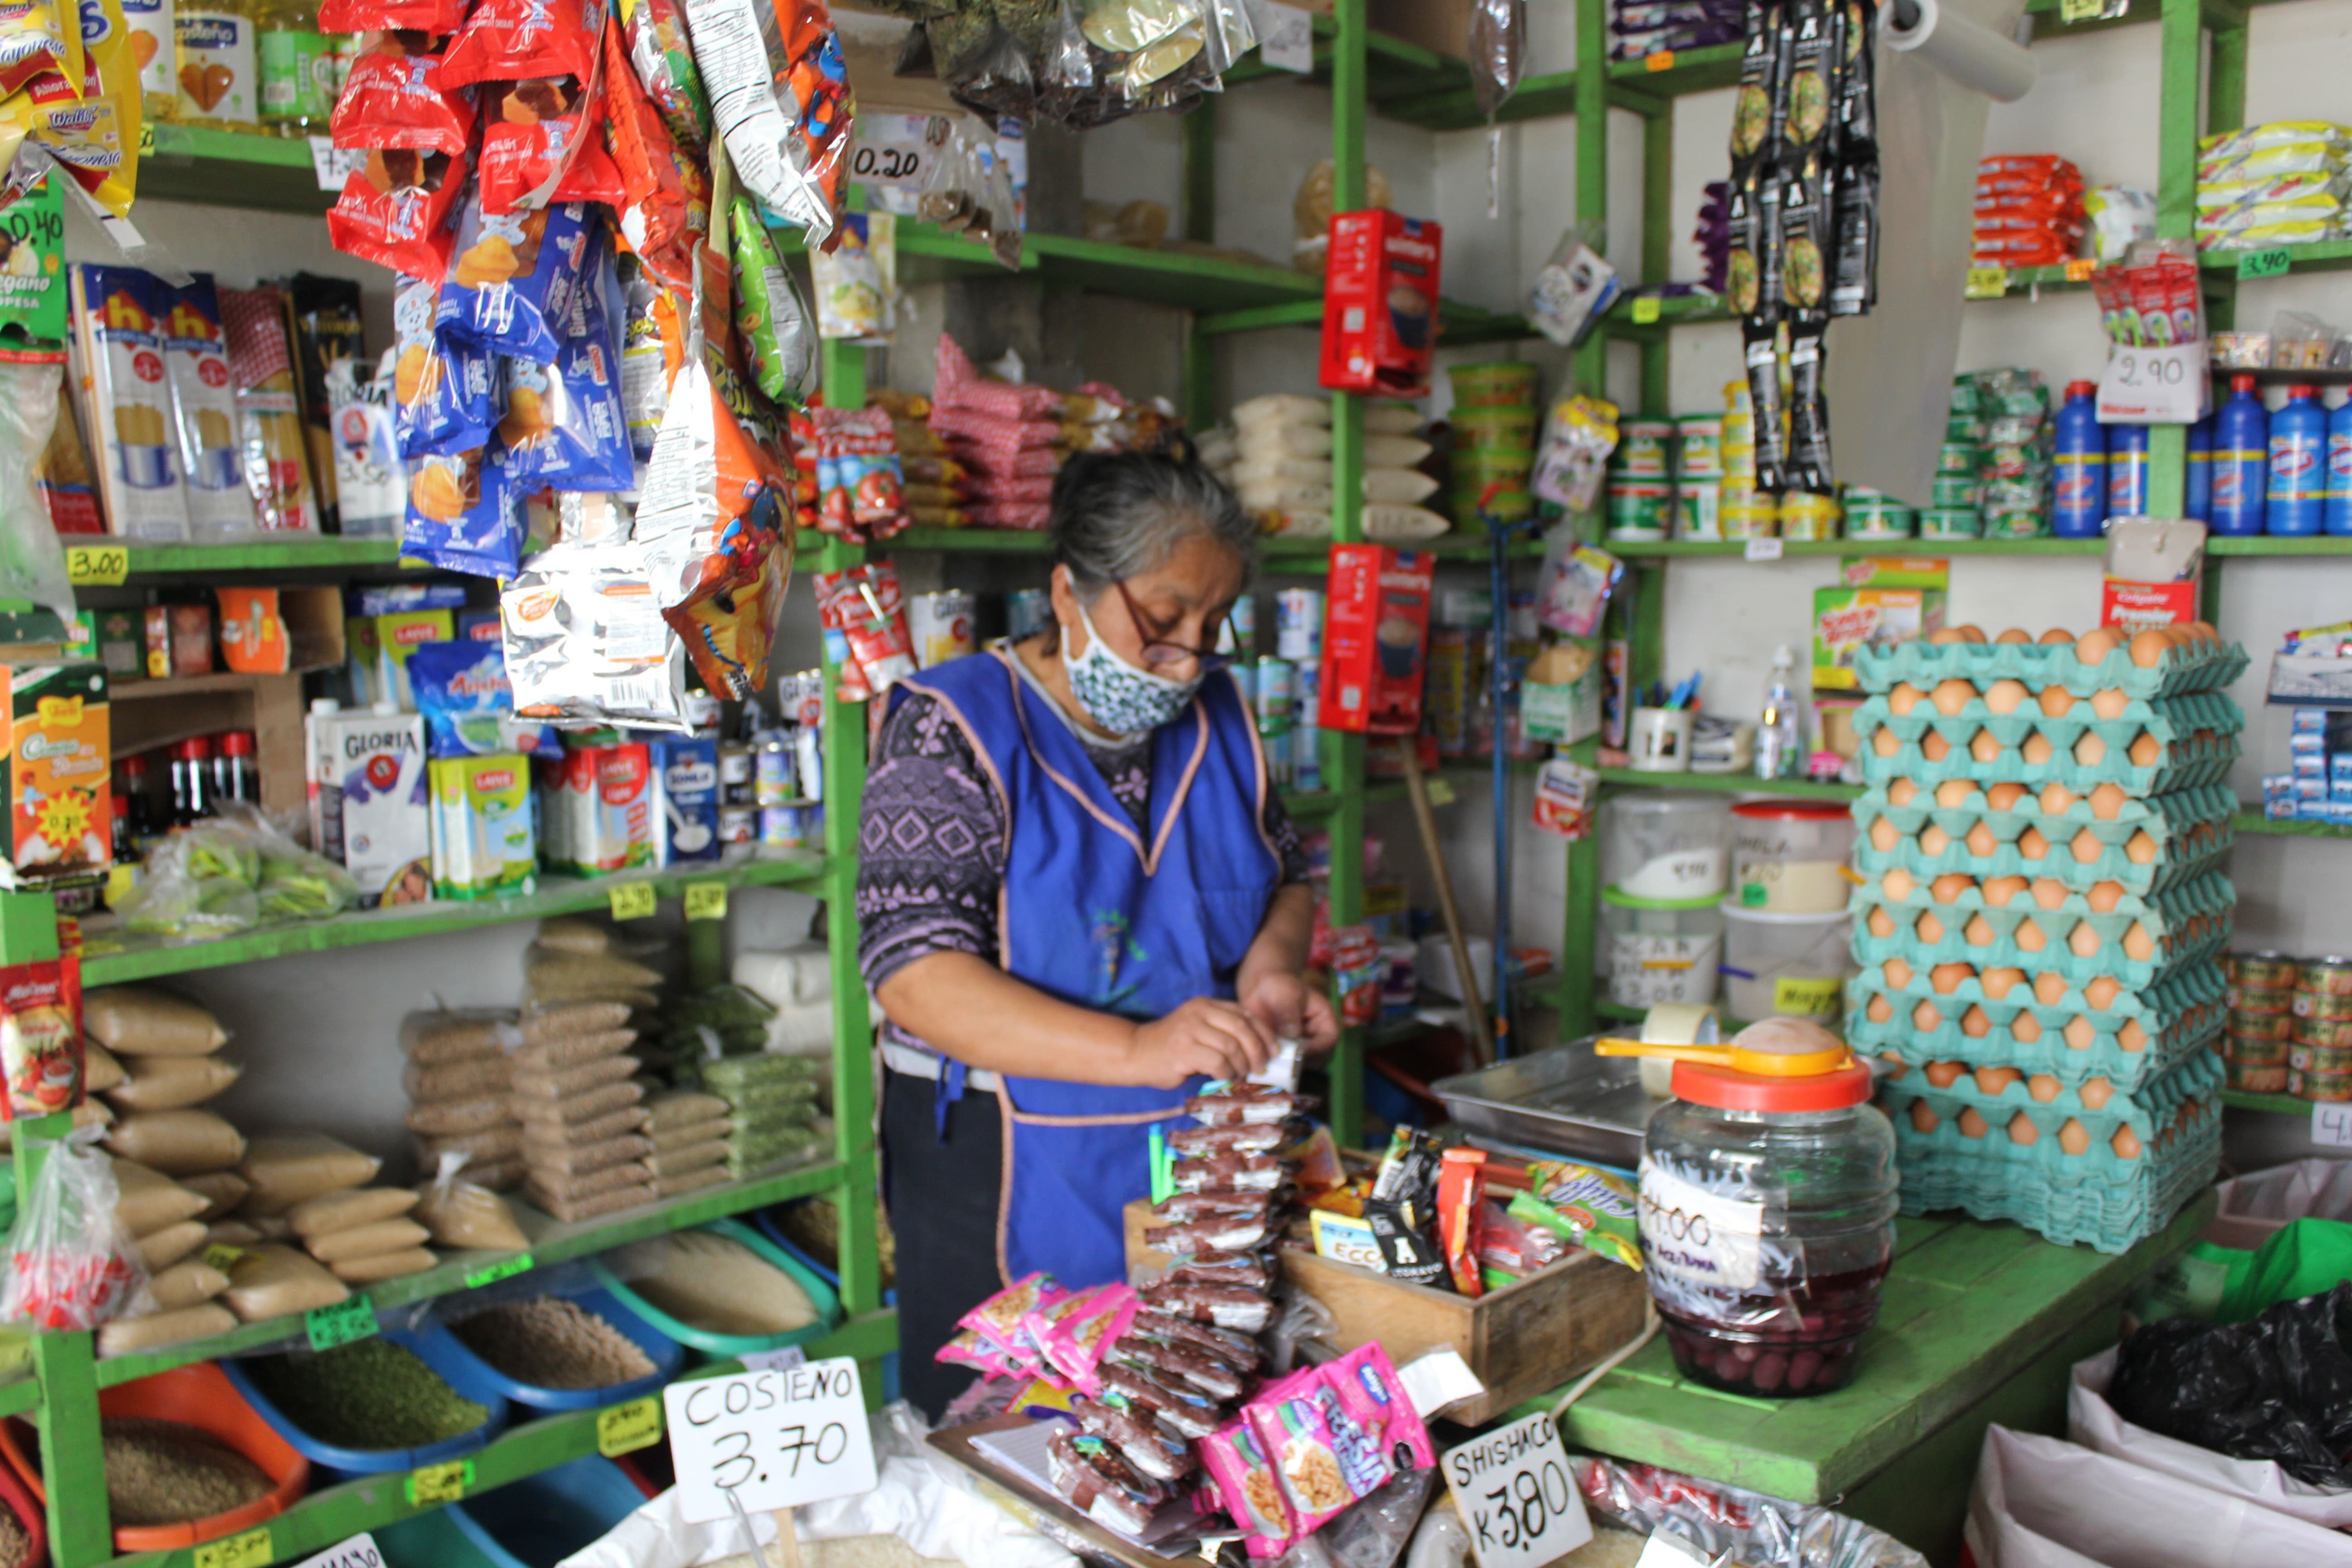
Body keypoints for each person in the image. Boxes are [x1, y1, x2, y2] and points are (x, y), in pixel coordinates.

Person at [857, 448, 1338, 1418]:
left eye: (1212, 627)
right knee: (1009, 1442)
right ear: (1068, 593)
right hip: (1000, 1155)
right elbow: (914, 972)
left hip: (1201, 1157)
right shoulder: (953, 725)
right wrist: (1138, 1046)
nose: (1187, 657)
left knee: (1179, 1440)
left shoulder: (1221, 719)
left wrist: (1271, 973)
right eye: (1162, 622)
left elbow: (1286, 873)